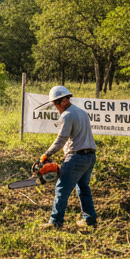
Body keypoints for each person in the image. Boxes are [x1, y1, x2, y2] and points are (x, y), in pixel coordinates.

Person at [39, 85, 97, 230]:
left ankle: (55, 222)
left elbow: (61, 139)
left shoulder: (67, 115)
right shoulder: (82, 113)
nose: (56, 106)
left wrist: (47, 154)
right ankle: (89, 219)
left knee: (62, 188)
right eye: (54, 104)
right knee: (83, 187)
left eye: (57, 103)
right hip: (89, 157)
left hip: (76, 157)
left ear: (65, 100)